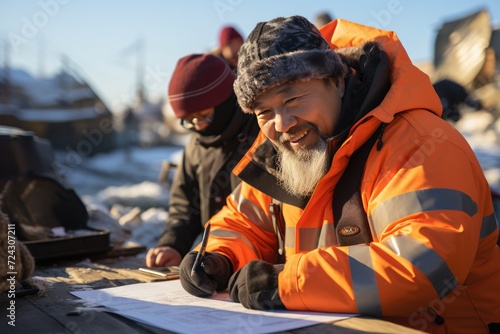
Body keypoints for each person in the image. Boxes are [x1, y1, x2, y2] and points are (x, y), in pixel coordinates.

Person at [178, 16, 500, 333]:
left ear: (337, 80)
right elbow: (242, 222)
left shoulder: (422, 143)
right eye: (264, 111)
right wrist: (218, 258)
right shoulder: (284, 153)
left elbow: (423, 264)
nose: (282, 123)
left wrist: (288, 282)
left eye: (293, 98)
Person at [145, 54, 259, 267]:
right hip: (217, 264)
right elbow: (185, 204)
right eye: (189, 120)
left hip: (258, 265)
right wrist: (173, 244)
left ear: (225, 100)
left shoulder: (261, 133)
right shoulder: (196, 144)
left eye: (202, 115)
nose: (197, 126)